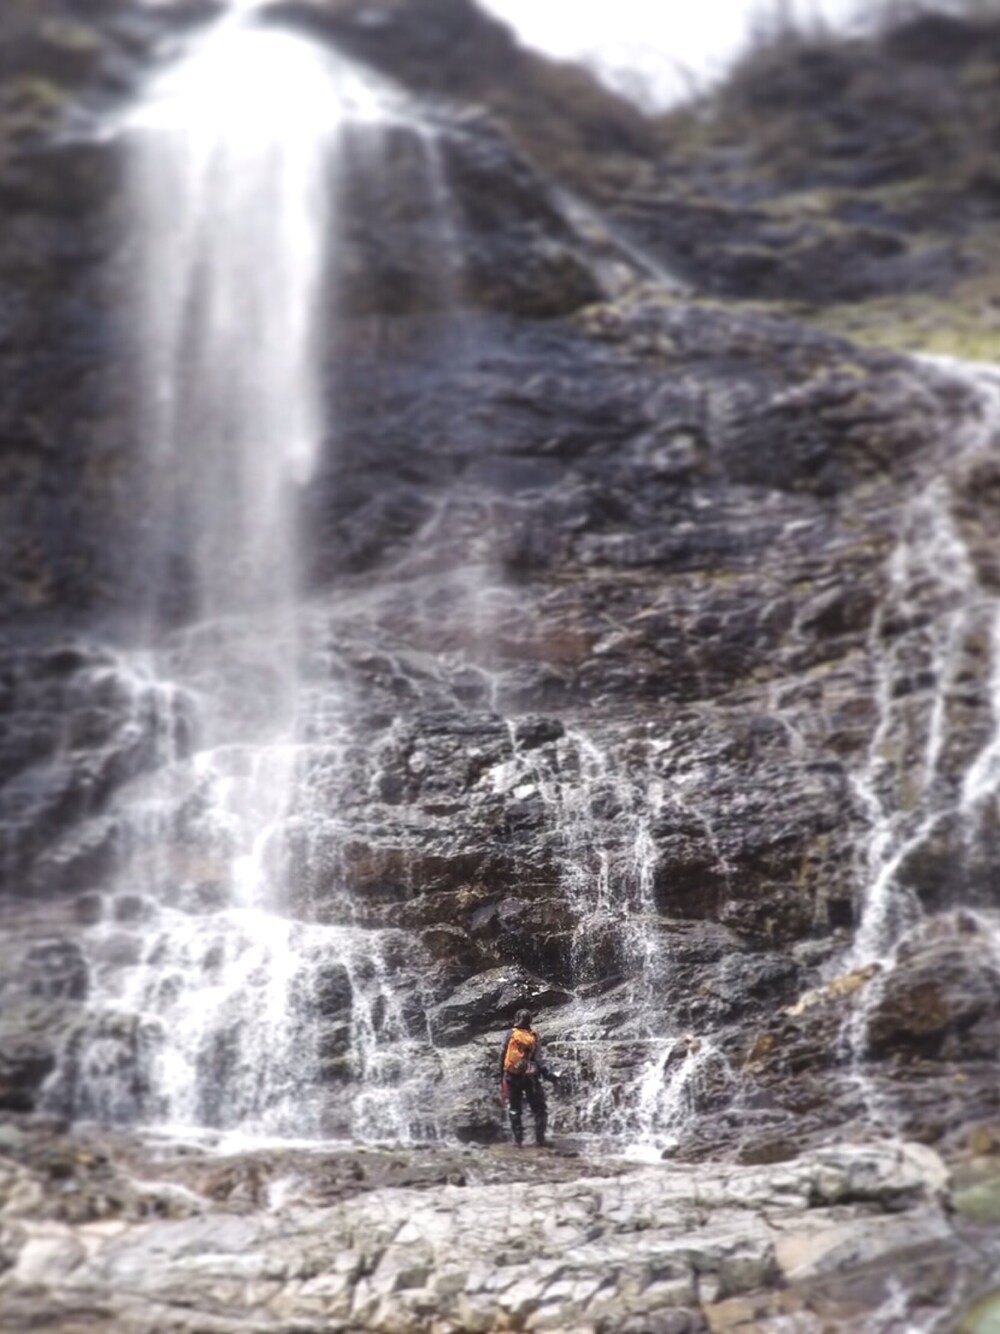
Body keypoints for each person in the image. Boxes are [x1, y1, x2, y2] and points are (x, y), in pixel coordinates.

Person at [499, 1008, 556, 1148]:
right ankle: (540, 1140)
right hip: (530, 1078)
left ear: (516, 1019)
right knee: (539, 1109)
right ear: (530, 1021)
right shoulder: (534, 1036)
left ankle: (518, 1141)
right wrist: (549, 1075)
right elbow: (539, 1059)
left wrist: (500, 1074)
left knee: (514, 1109)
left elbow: (502, 1055)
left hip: (512, 1076)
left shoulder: (510, 1034)